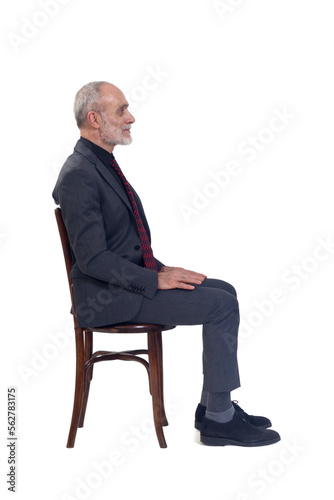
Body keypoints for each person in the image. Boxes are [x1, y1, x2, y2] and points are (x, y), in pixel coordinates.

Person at [52, 81, 280, 447]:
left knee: (224, 290)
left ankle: (211, 407)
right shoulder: (80, 173)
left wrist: (160, 270)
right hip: (108, 298)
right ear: (95, 119)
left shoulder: (99, 164)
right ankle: (219, 421)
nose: (131, 118)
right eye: (121, 110)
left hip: (123, 284)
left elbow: (122, 243)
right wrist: (154, 281)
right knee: (221, 305)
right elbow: (93, 259)